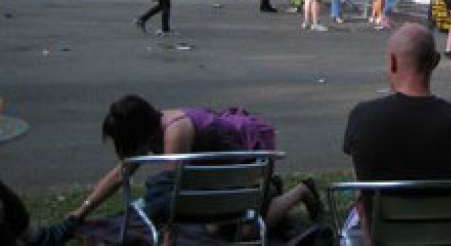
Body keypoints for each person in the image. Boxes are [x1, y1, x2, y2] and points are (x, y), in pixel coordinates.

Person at [68, 95, 320, 233]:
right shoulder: (150, 129)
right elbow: (119, 175)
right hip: (221, 170)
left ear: (135, 132)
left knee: (242, 232)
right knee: (214, 225)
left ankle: (301, 191)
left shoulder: (176, 132)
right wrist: (81, 212)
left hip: (248, 158)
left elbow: (171, 200)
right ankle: (268, 191)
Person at [341, 24, 451, 238]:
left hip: (382, 237)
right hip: (444, 238)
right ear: (435, 62)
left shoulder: (363, 117)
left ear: (393, 62)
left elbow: (362, 192)